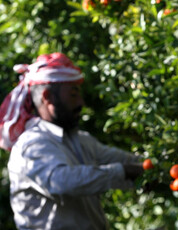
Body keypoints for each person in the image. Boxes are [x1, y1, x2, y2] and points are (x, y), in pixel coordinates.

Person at [0, 52, 144, 229]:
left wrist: (156, 167)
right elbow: (60, 182)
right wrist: (123, 172)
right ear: (47, 97)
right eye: (73, 94)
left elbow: (123, 160)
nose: (81, 102)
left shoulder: (80, 140)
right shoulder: (32, 144)